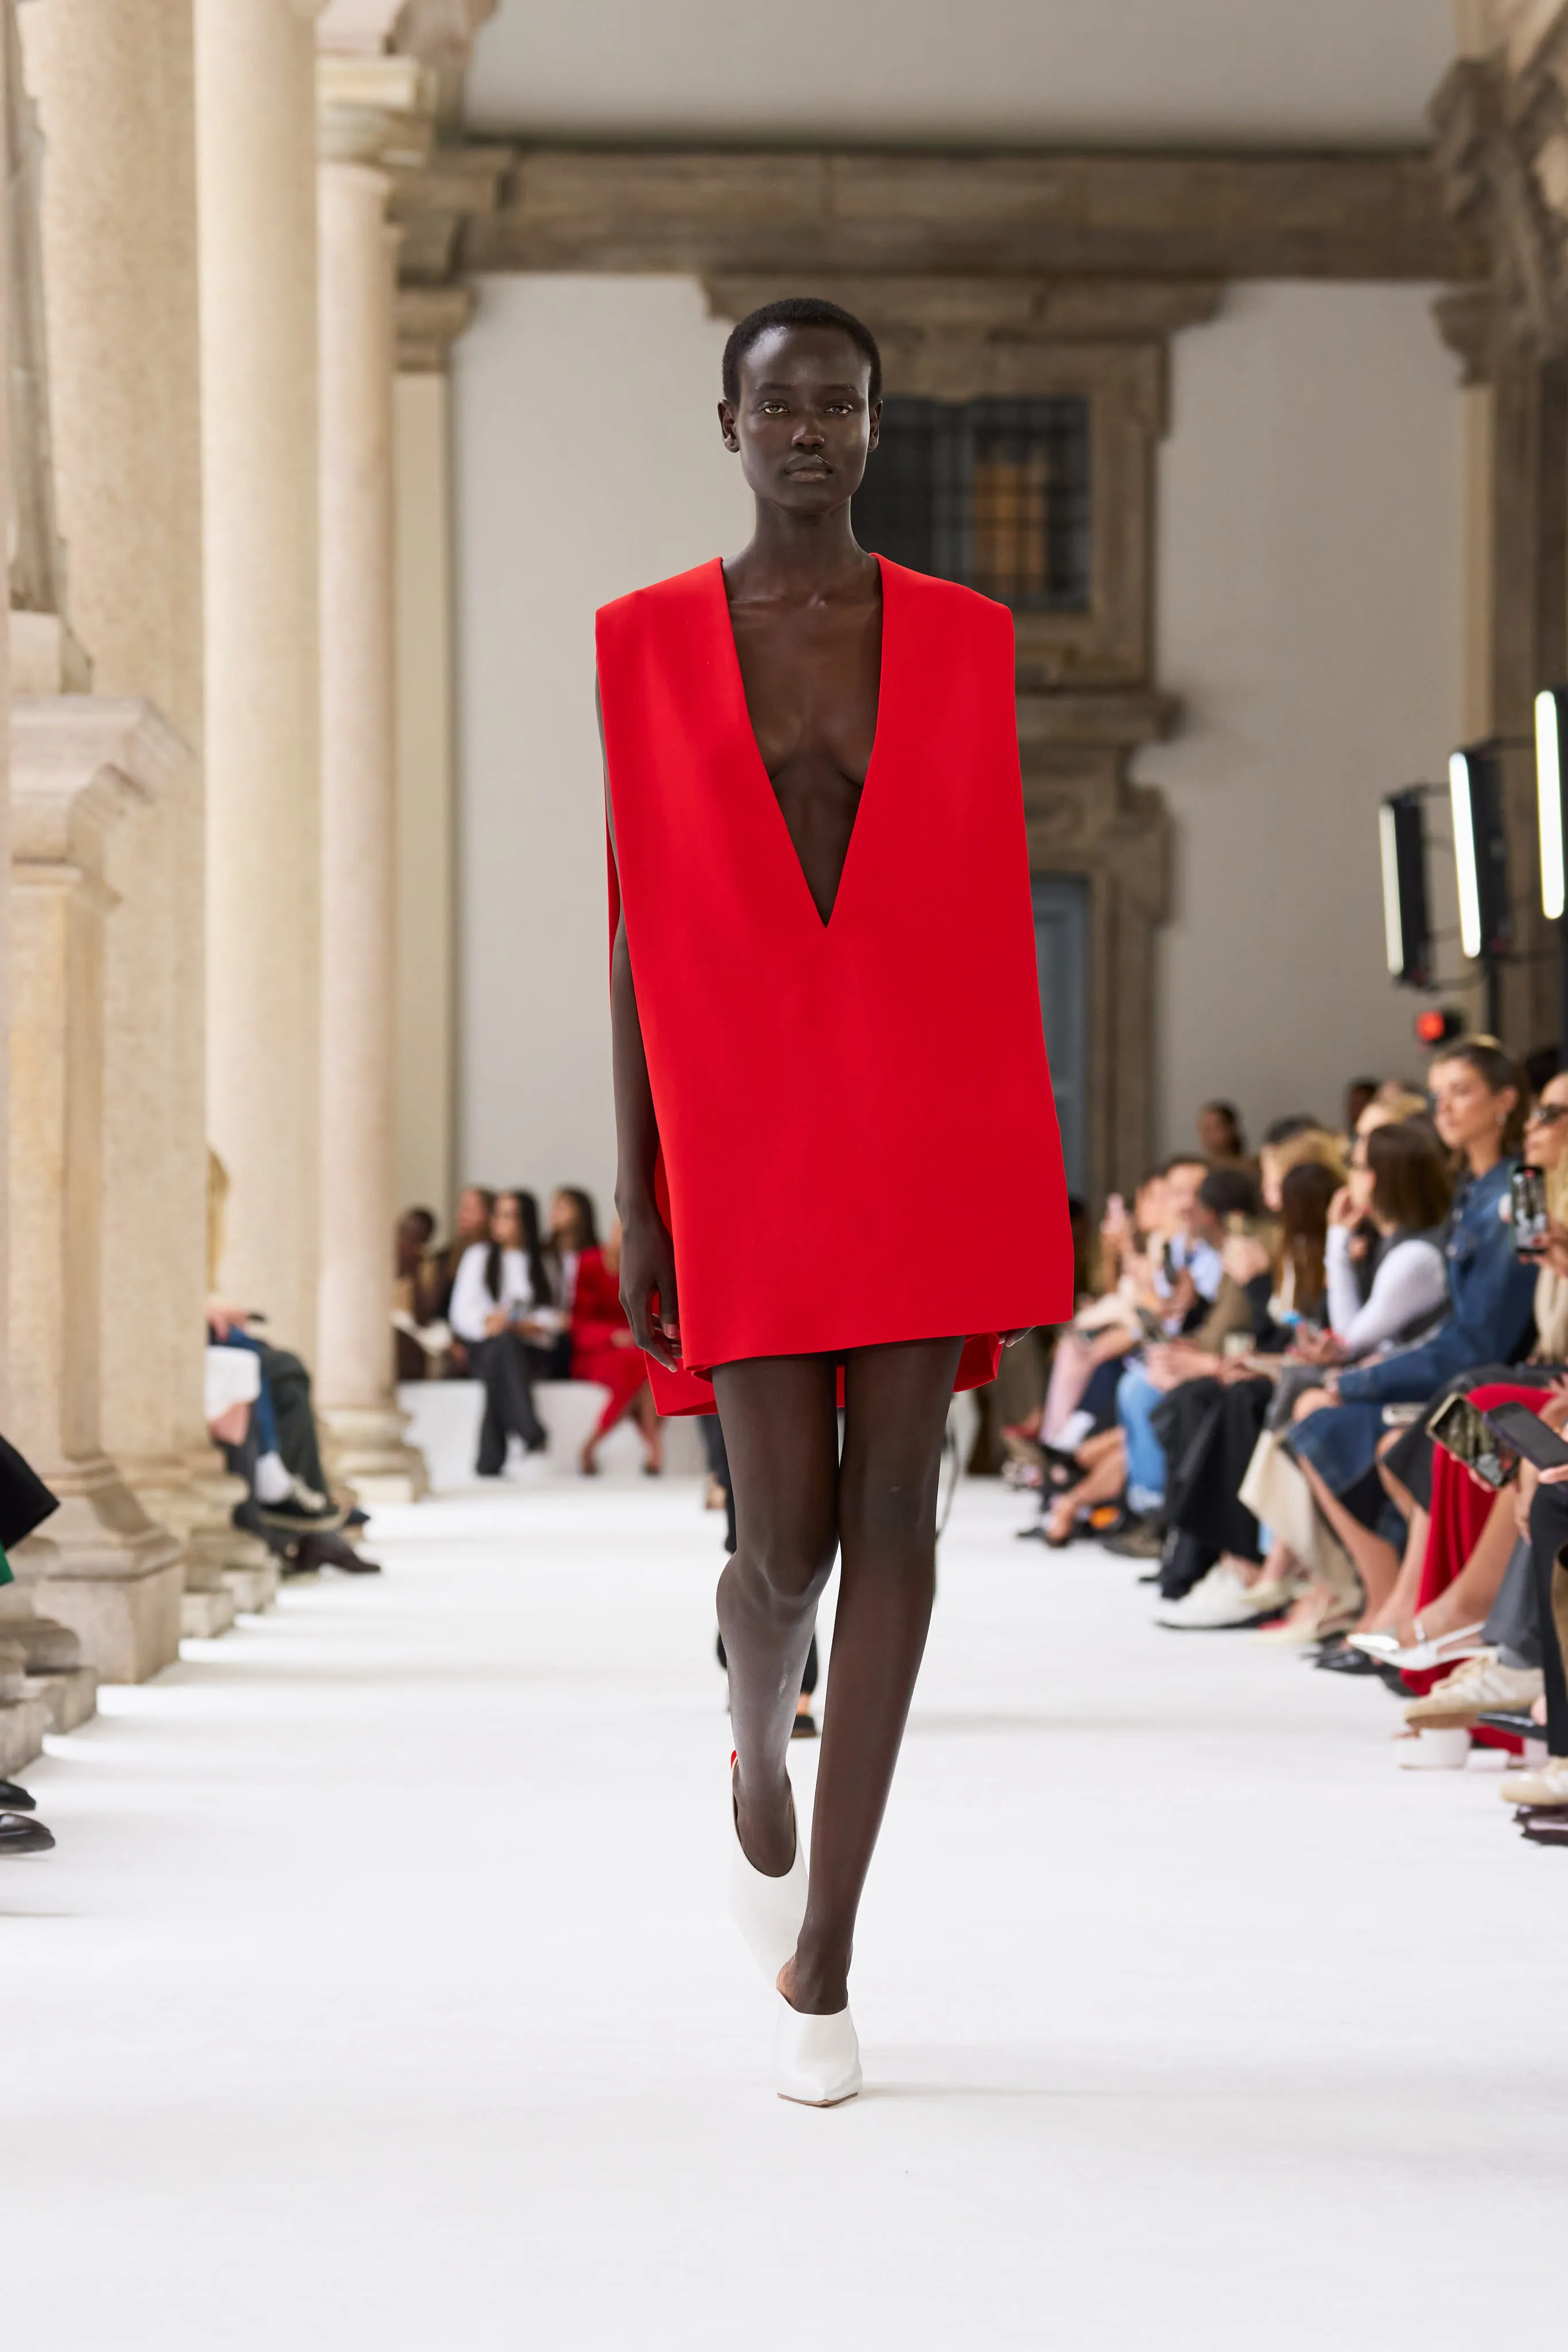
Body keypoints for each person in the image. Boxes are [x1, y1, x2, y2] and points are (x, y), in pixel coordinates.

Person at [596, 294, 1072, 2104]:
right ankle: (753, 1735)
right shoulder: (645, 641)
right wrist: (638, 1185)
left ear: (877, 425)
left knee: (900, 1517)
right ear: (725, 424)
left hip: (919, 1115)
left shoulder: (962, 638)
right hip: (742, 1125)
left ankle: (829, 1956)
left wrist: (1020, 1166)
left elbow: (981, 911)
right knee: (780, 1544)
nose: (809, 432)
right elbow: (636, 925)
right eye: (777, 405)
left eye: (840, 404)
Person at [448, 1189, 550, 1473]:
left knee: (505, 1354)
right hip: (486, 1344)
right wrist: (488, 1323)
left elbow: (555, 1315)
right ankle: (528, 1429)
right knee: (503, 1348)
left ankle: (491, 1460)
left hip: (531, 1349)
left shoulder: (543, 1262)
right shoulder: (478, 1256)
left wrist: (519, 1324)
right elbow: (461, 1314)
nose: (500, 1222)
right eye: (498, 1215)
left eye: (509, 1216)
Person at [570, 1217, 662, 1476]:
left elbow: (653, 1313)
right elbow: (578, 1321)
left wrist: (636, 1335)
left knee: (647, 1366)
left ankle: (593, 1446)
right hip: (596, 1351)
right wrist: (613, 1336)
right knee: (640, 1369)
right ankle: (653, 1445)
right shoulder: (590, 1263)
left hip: (635, 1347)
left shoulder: (646, 1266)